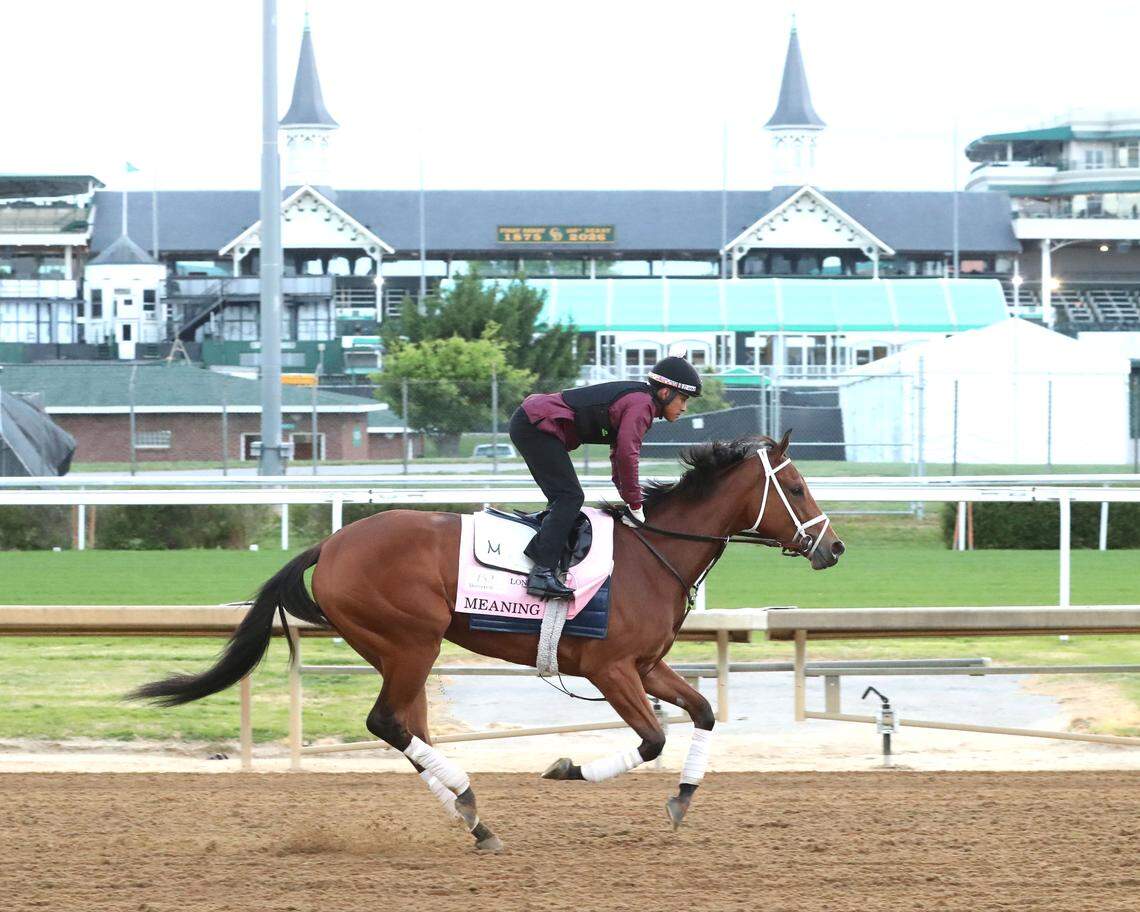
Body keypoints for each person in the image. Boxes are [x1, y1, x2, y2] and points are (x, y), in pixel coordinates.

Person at [508, 355, 702, 600]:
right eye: (683, 399)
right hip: (535, 425)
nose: (684, 407)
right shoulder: (642, 405)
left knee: (564, 498)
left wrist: (628, 497)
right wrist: (634, 503)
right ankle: (541, 573)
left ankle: (548, 560)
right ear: (665, 393)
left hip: (532, 422)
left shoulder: (640, 402)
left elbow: (617, 456)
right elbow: (626, 453)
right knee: (570, 497)